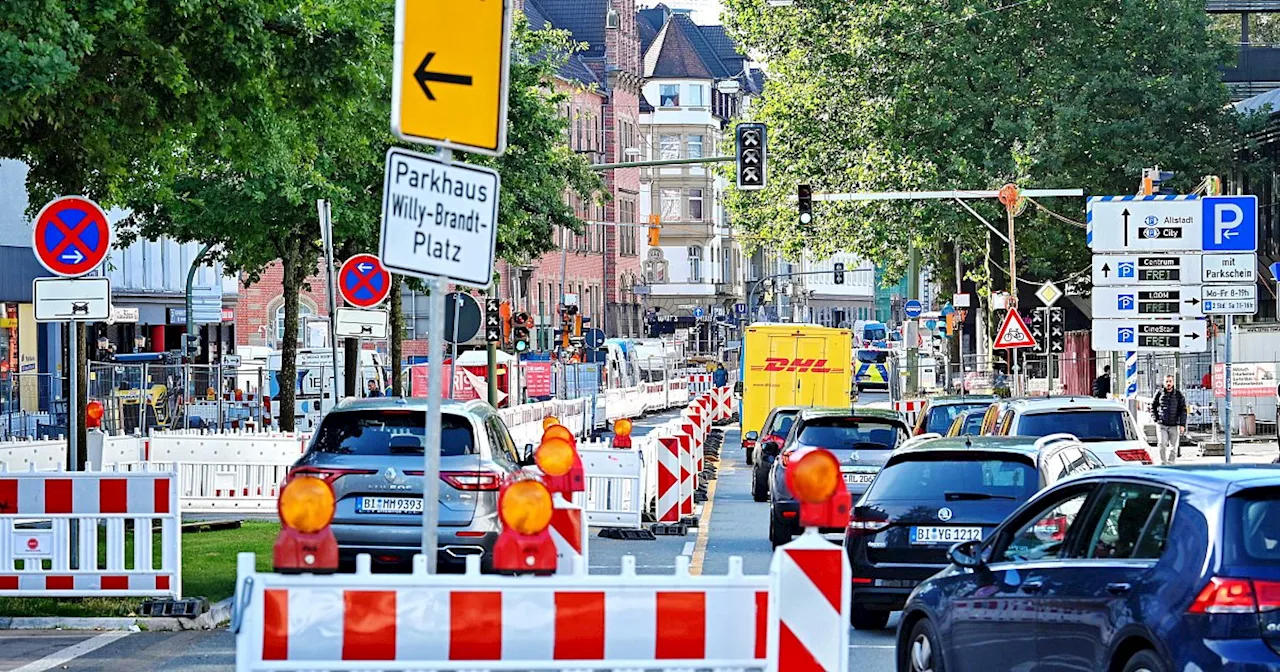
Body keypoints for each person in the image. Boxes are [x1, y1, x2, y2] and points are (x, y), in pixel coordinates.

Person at [1151, 374, 1187, 464]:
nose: (1168, 383)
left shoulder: (1178, 395)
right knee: (1162, 444)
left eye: (1170, 381)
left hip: (1174, 425)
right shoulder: (1159, 393)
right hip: (1162, 424)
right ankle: (1163, 463)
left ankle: (1171, 464)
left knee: (1173, 447)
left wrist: (1182, 424)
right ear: (1164, 382)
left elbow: (1183, 410)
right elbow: (1153, 406)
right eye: (1167, 381)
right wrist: (1156, 418)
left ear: (1173, 382)